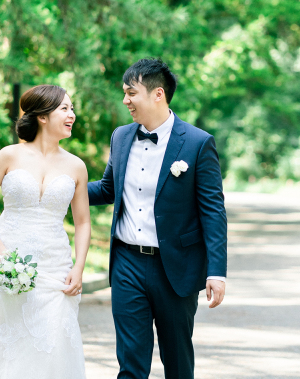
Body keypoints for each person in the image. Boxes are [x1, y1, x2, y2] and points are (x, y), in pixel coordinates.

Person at [88, 58, 228, 379]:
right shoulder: (121, 137)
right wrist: (60, 186)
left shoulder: (197, 143)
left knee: (177, 361)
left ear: (157, 95)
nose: (125, 101)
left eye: (131, 93)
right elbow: (109, 188)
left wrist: (216, 272)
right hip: (126, 263)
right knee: (131, 362)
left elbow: (213, 212)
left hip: (175, 268)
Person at [0, 84, 90, 379]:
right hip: (11, 259)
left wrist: (79, 266)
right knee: (8, 343)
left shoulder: (76, 166)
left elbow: (83, 222)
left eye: (72, 109)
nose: (72, 114)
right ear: (43, 117)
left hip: (54, 265)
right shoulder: (9, 156)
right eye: (65, 109)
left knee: (54, 344)